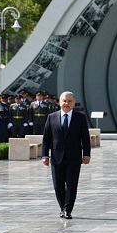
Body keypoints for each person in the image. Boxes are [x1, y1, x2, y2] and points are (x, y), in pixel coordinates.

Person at [42, 91, 91, 219]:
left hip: (74, 157)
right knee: (58, 185)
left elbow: (85, 138)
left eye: (69, 101)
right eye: (64, 101)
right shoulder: (51, 117)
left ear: (74, 103)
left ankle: (68, 210)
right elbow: (47, 138)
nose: (66, 103)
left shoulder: (80, 118)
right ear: (59, 102)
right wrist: (44, 155)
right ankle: (62, 207)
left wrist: (86, 154)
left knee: (71, 184)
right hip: (56, 156)